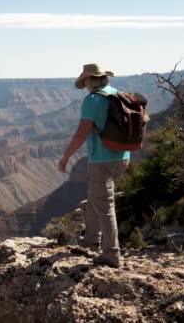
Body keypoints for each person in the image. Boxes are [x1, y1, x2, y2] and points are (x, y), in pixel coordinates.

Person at [58, 63, 130, 268]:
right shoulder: (118, 94)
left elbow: (81, 133)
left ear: (89, 79)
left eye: (85, 80)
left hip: (102, 160)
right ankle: (91, 239)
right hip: (123, 157)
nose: (85, 84)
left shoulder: (93, 99)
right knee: (95, 197)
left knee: (105, 205)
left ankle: (111, 253)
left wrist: (65, 157)